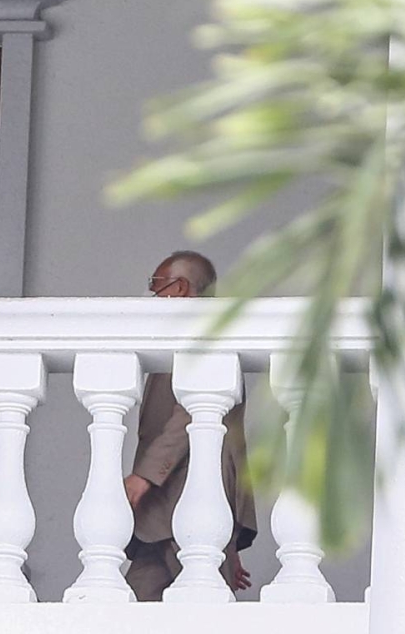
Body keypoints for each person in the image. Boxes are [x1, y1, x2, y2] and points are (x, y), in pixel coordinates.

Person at [123, 250, 258, 601]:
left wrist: (146, 474)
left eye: (157, 286)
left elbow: (191, 413)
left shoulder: (207, 334)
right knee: (132, 605)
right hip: (164, 507)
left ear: (181, 287)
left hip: (185, 490)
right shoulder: (184, 335)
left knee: (205, 606)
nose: (152, 296)